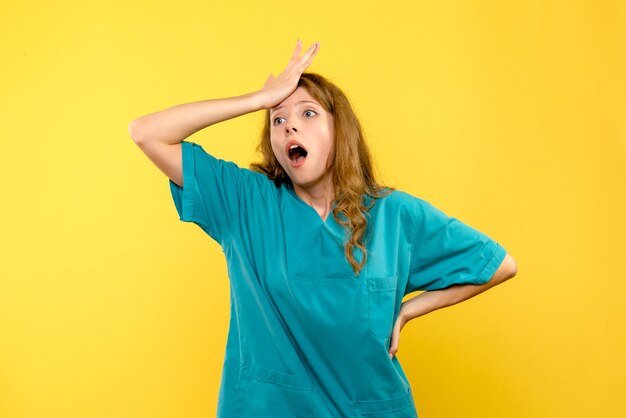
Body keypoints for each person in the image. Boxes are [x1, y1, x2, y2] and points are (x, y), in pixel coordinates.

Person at [129, 39, 518, 418]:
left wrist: (408, 311)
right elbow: (147, 132)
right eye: (278, 120)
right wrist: (258, 100)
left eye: (308, 114)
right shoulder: (245, 204)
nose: (289, 128)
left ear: (339, 130)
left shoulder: (395, 215)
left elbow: (500, 265)